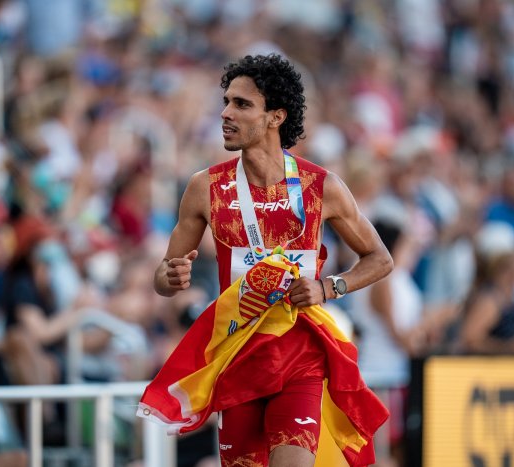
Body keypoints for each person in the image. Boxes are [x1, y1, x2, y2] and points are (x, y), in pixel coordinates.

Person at [148, 54, 393, 466]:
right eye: (226, 102)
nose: (225, 113)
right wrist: (169, 276)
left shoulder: (322, 187)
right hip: (237, 356)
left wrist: (327, 286)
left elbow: (380, 259)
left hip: (301, 358)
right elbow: (162, 277)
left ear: (275, 117)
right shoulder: (204, 188)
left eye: (242, 105)